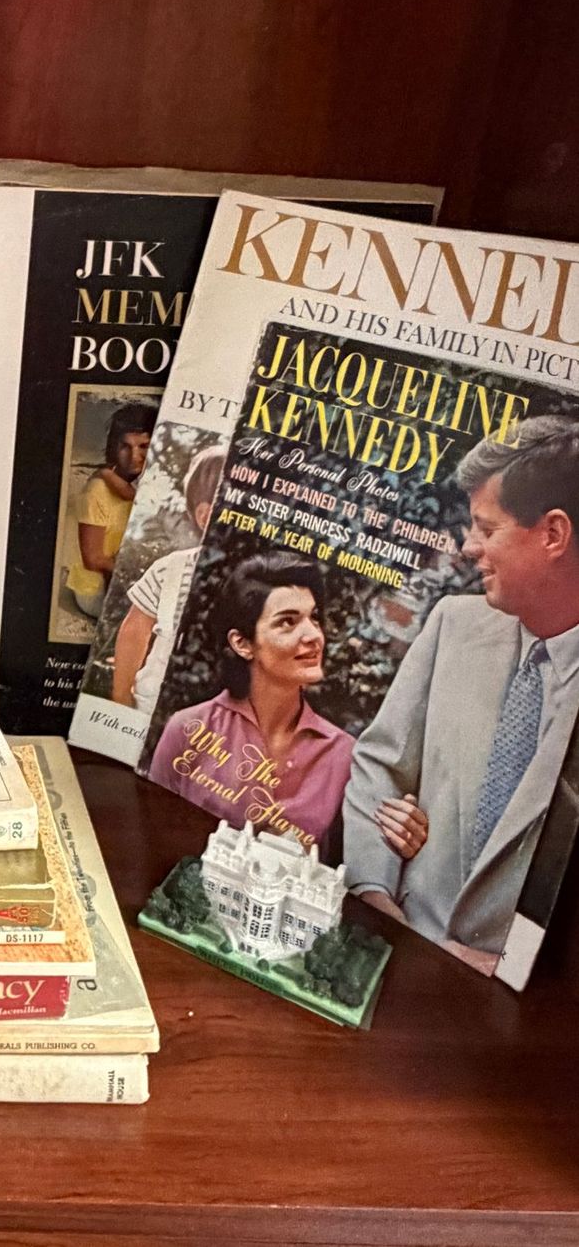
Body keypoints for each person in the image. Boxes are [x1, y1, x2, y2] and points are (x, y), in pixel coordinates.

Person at [342, 417, 579, 973]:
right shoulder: (453, 624)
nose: (468, 547)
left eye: (486, 528)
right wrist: (375, 896)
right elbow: (379, 766)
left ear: (553, 535)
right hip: (396, 956)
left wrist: (515, 970)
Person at [147, 552, 353, 849]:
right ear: (242, 644)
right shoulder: (187, 729)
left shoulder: (344, 755)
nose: (313, 635)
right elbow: (149, 834)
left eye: (314, 618)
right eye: (288, 622)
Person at [111, 445, 227, 716]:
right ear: (205, 516)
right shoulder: (171, 568)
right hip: (154, 705)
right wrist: (120, 696)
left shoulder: (261, 579)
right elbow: (134, 631)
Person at [67, 402, 156, 619]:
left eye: (143, 446)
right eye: (125, 446)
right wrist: (139, 575)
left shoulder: (148, 482)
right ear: (114, 448)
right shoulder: (97, 490)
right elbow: (94, 559)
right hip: (95, 588)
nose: (135, 456)